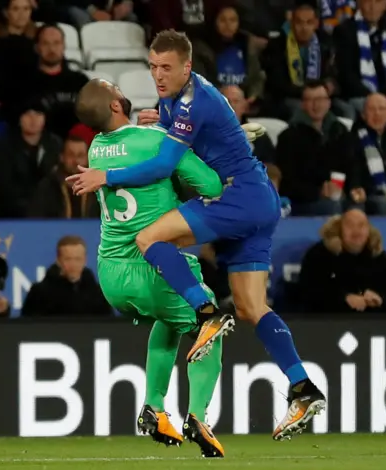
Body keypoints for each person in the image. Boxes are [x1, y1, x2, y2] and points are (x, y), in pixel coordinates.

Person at [68, 30, 326, 441]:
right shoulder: (175, 100)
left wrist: (106, 176)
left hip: (237, 195)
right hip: (258, 199)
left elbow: (165, 163)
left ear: (187, 66)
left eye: (166, 67)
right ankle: (302, 387)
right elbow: (197, 135)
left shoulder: (188, 100)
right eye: (152, 67)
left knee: (150, 239)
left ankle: (206, 314)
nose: (157, 75)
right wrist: (169, 123)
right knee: (251, 307)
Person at [75, 79, 225, 457]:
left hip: (111, 272)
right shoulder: (156, 141)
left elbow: (130, 146)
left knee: (168, 322)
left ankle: (154, 408)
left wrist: (157, 131)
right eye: (114, 89)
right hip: (155, 267)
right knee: (211, 330)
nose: (121, 90)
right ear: (114, 105)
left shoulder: (96, 149)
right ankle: (198, 417)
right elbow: (210, 184)